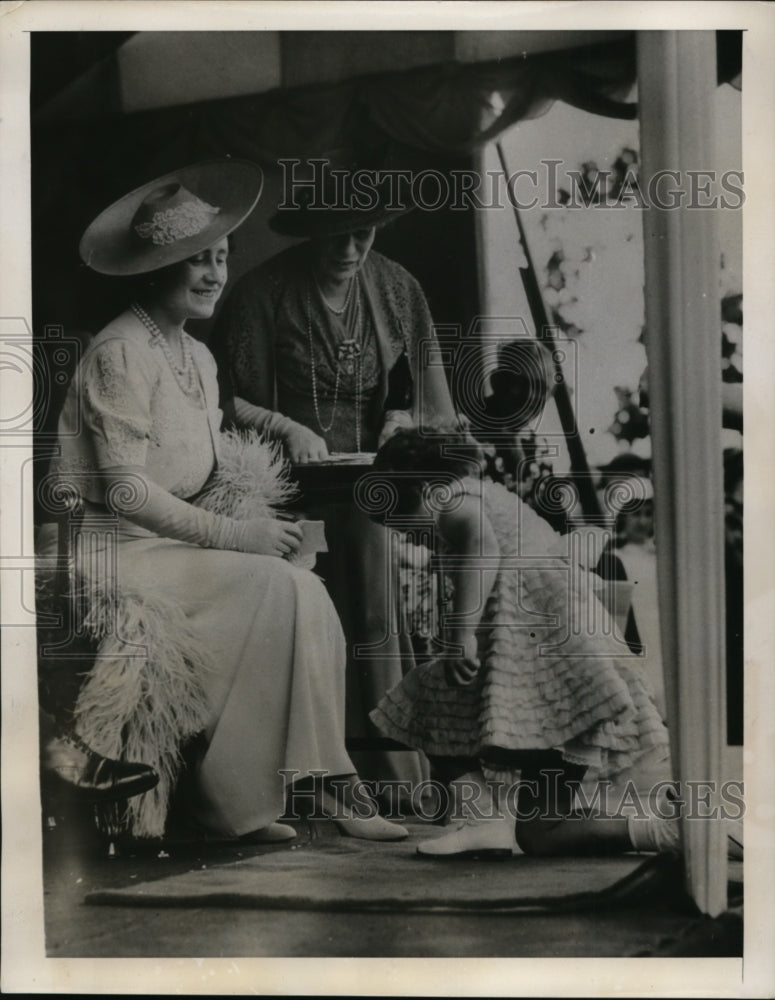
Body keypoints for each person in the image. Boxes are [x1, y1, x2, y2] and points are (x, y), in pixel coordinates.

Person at [37, 160, 407, 844]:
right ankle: (314, 786)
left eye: (220, 258)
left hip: (167, 547)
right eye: (195, 262)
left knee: (300, 583)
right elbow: (124, 488)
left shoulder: (197, 359)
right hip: (106, 550)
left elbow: (199, 479)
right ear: (156, 269)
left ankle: (249, 799)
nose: (213, 274)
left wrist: (266, 526)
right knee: (271, 584)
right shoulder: (120, 352)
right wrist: (235, 540)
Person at [212, 170, 457, 788]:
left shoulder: (398, 288)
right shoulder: (259, 294)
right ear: (309, 233)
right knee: (308, 609)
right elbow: (220, 405)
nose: (350, 251)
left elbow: (415, 387)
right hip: (282, 484)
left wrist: (400, 421)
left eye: (363, 234)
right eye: (335, 237)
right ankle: (304, 779)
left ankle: (387, 776)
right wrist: (284, 426)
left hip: (372, 483)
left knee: (374, 609)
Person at [366, 425, 678, 858]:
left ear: (420, 489)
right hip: (560, 666)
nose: (408, 538)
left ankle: (486, 817)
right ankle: (665, 832)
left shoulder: (455, 502)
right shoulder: (485, 494)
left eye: (402, 524)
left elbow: (482, 548)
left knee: (421, 698)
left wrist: (460, 637)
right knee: (541, 832)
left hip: (544, 656)